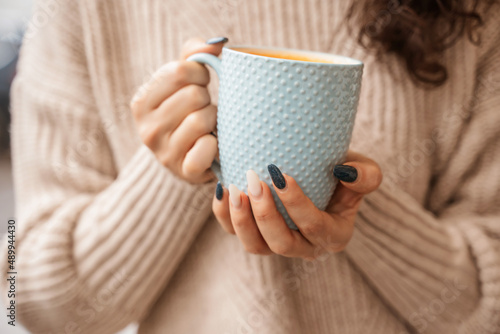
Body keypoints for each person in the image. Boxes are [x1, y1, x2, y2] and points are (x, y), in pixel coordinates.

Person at [2, 0, 499, 333]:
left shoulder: (473, 13)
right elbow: (24, 293)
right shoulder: (84, 10)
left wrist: (349, 204)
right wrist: (174, 170)